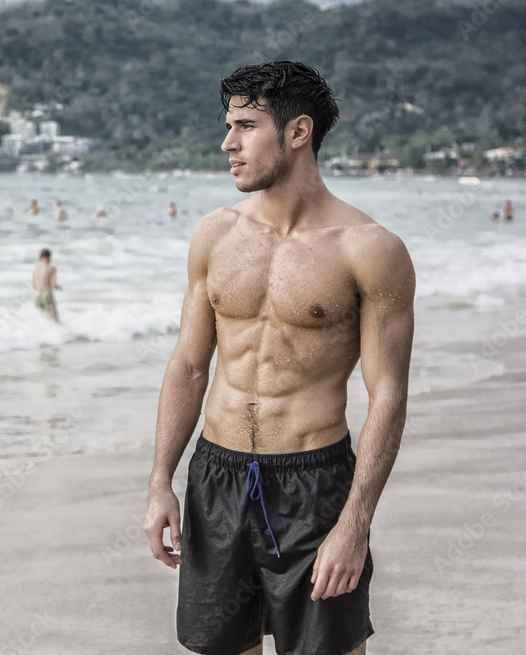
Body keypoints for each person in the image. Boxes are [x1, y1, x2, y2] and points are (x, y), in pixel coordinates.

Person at [144, 61, 415, 655]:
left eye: (245, 125)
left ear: (298, 132)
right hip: (216, 477)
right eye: (227, 126)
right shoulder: (215, 235)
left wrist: (355, 524)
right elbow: (189, 366)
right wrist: (161, 479)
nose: (227, 144)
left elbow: (388, 394)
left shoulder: (370, 250)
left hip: (314, 487)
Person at [31, 248, 61, 323]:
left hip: (37, 295)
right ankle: (60, 333)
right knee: (55, 320)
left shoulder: (35, 268)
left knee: (41, 319)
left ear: (40, 257)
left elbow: (33, 285)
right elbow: (53, 285)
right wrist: (59, 287)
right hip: (47, 295)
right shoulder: (51, 268)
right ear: (49, 257)